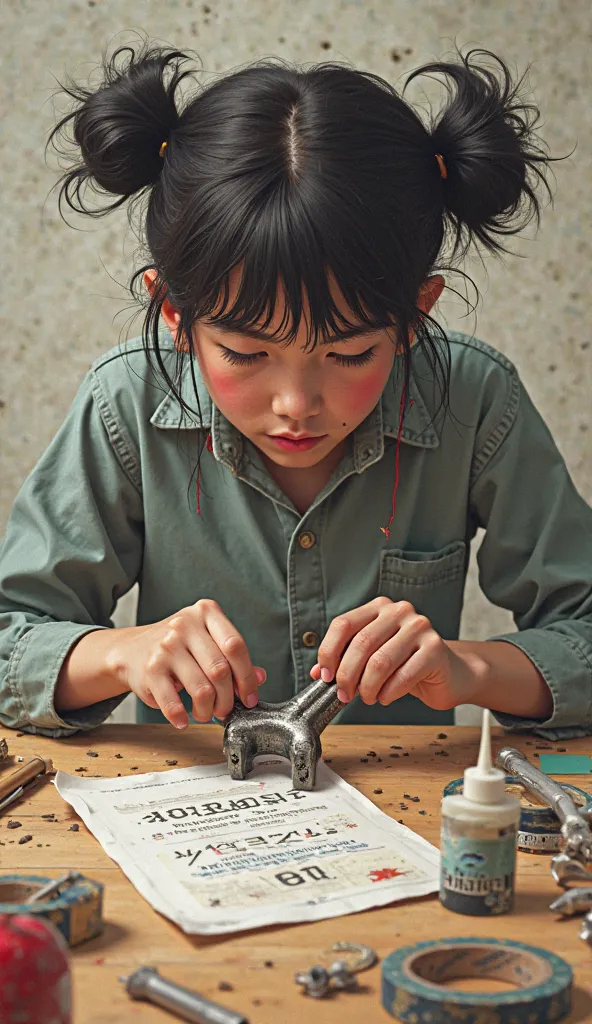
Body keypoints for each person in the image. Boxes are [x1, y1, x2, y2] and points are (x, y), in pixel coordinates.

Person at [1, 41, 591, 742]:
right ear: (175, 317)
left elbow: (579, 626)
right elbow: (16, 633)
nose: (295, 404)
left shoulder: (473, 396)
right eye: (246, 354)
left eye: (348, 353)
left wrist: (466, 670)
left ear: (416, 315)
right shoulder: (124, 402)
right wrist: (119, 654)